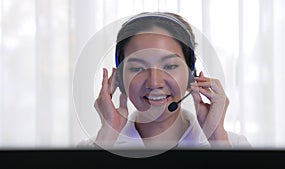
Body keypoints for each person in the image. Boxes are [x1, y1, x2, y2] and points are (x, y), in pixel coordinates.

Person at [83, 12, 251, 150]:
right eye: (137, 68)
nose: (154, 83)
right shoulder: (96, 147)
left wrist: (216, 139)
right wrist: (107, 137)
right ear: (119, 78)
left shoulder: (233, 146)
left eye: (170, 66)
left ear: (191, 75)